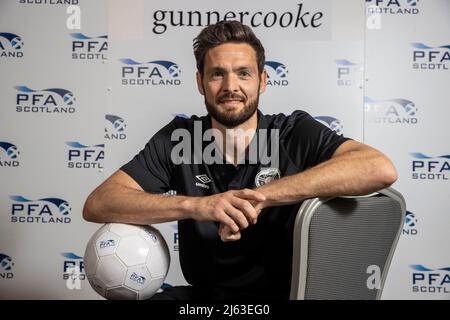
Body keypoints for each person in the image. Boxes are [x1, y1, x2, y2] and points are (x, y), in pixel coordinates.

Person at [83, 20, 398, 300]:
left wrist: (259, 199)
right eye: (217, 74)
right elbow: (99, 202)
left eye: (243, 74)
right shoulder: (179, 137)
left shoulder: (293, 132)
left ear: (262, 80)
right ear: (200, 82)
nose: (230, 87)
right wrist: (197, 206)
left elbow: (378, 168)